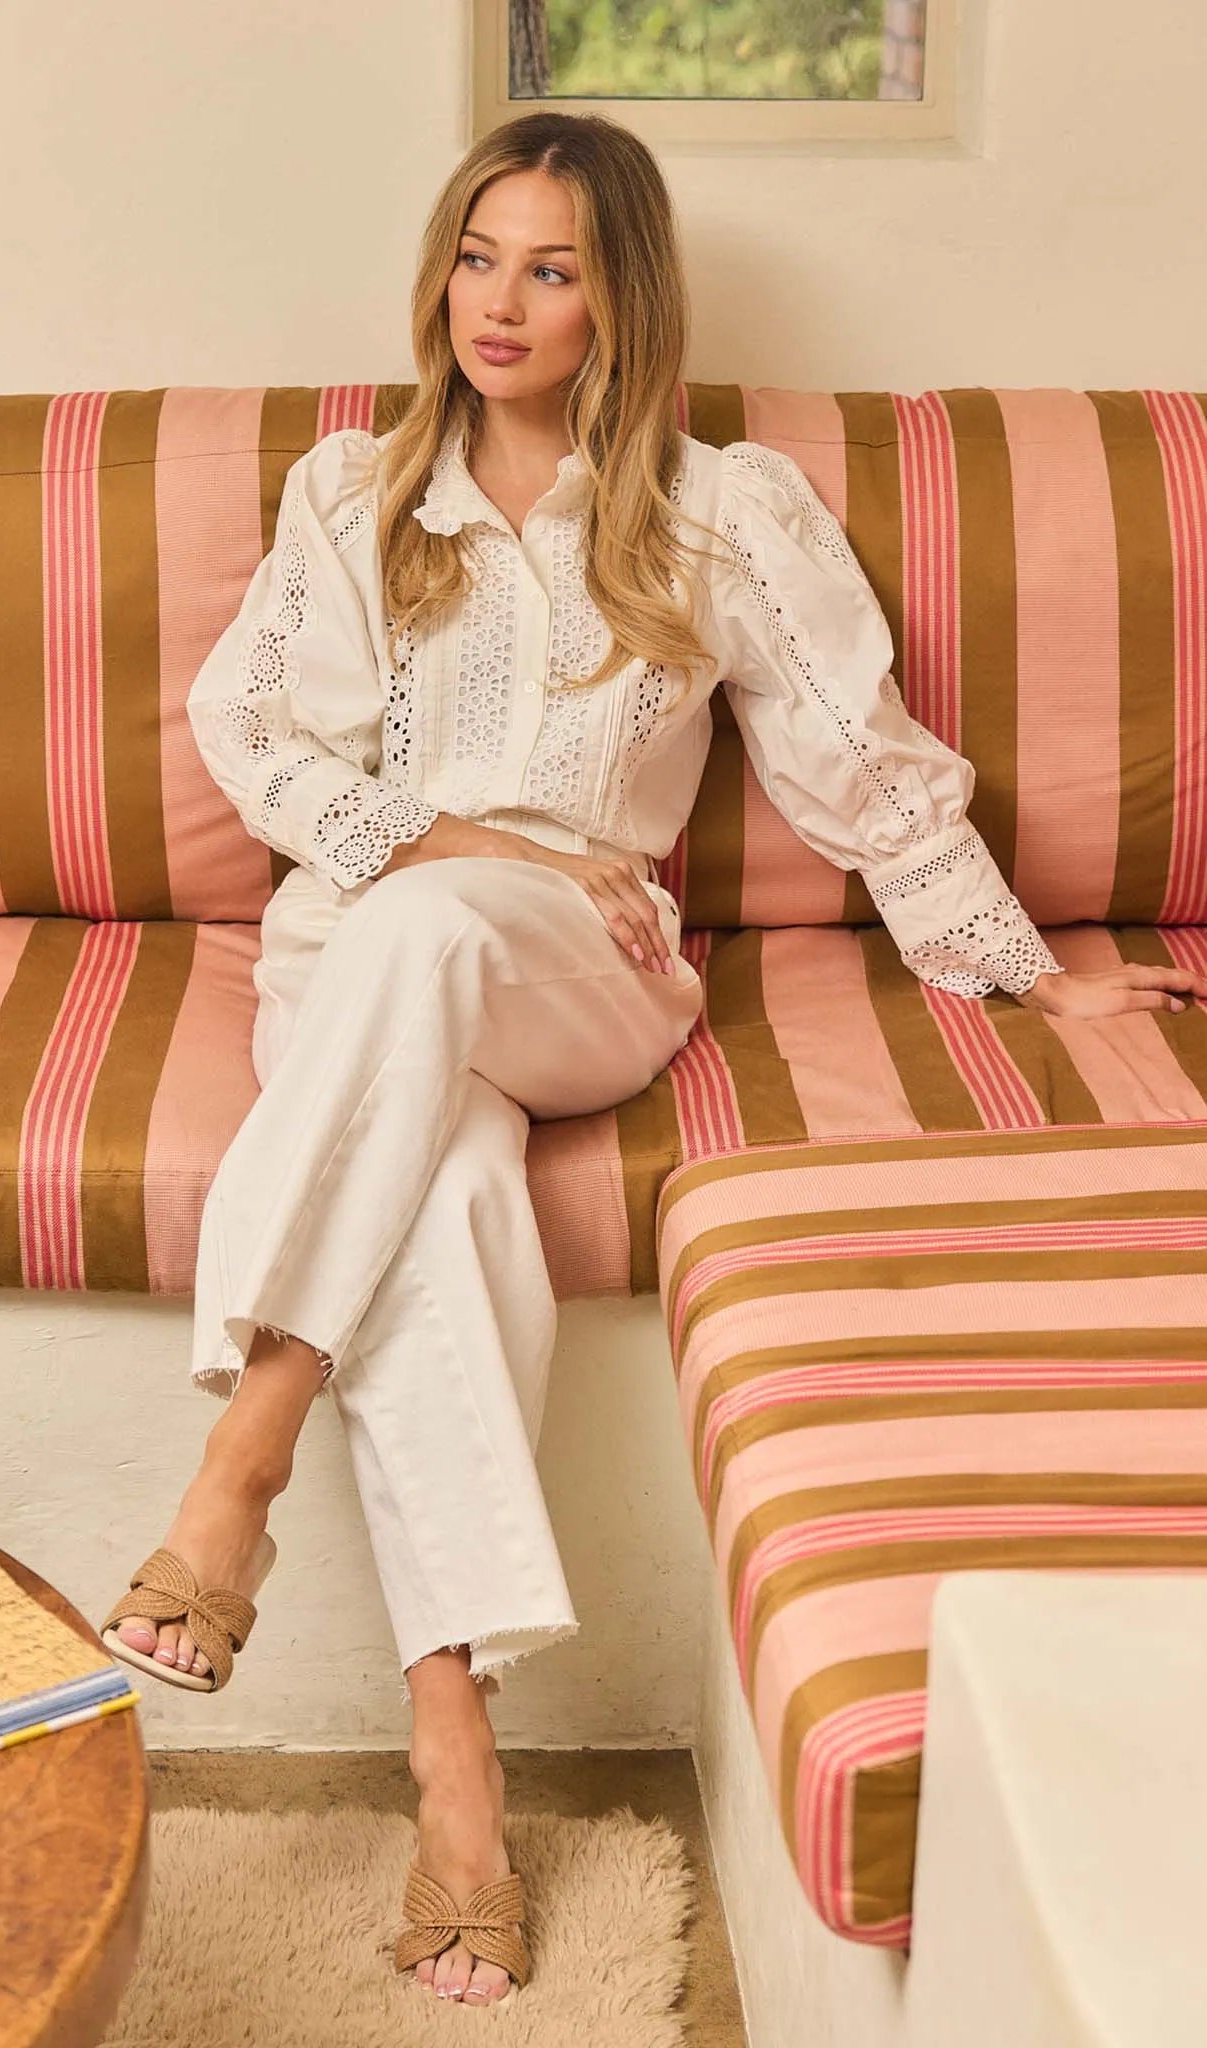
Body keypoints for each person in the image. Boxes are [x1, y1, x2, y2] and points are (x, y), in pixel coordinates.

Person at [99, 111, 1206, 2007]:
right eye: (475, 257)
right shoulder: (350, 495)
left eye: (549, 267)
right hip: (357, 965)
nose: (499, 302)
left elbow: (856, 765)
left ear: (620, 302)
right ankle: (461, 1774)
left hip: (587, 979)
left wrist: (1031, 985)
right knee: (437, 1189)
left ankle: (243, 1455)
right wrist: (455, 839)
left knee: (446, 943)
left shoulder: (725, 513)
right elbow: (257, 745)